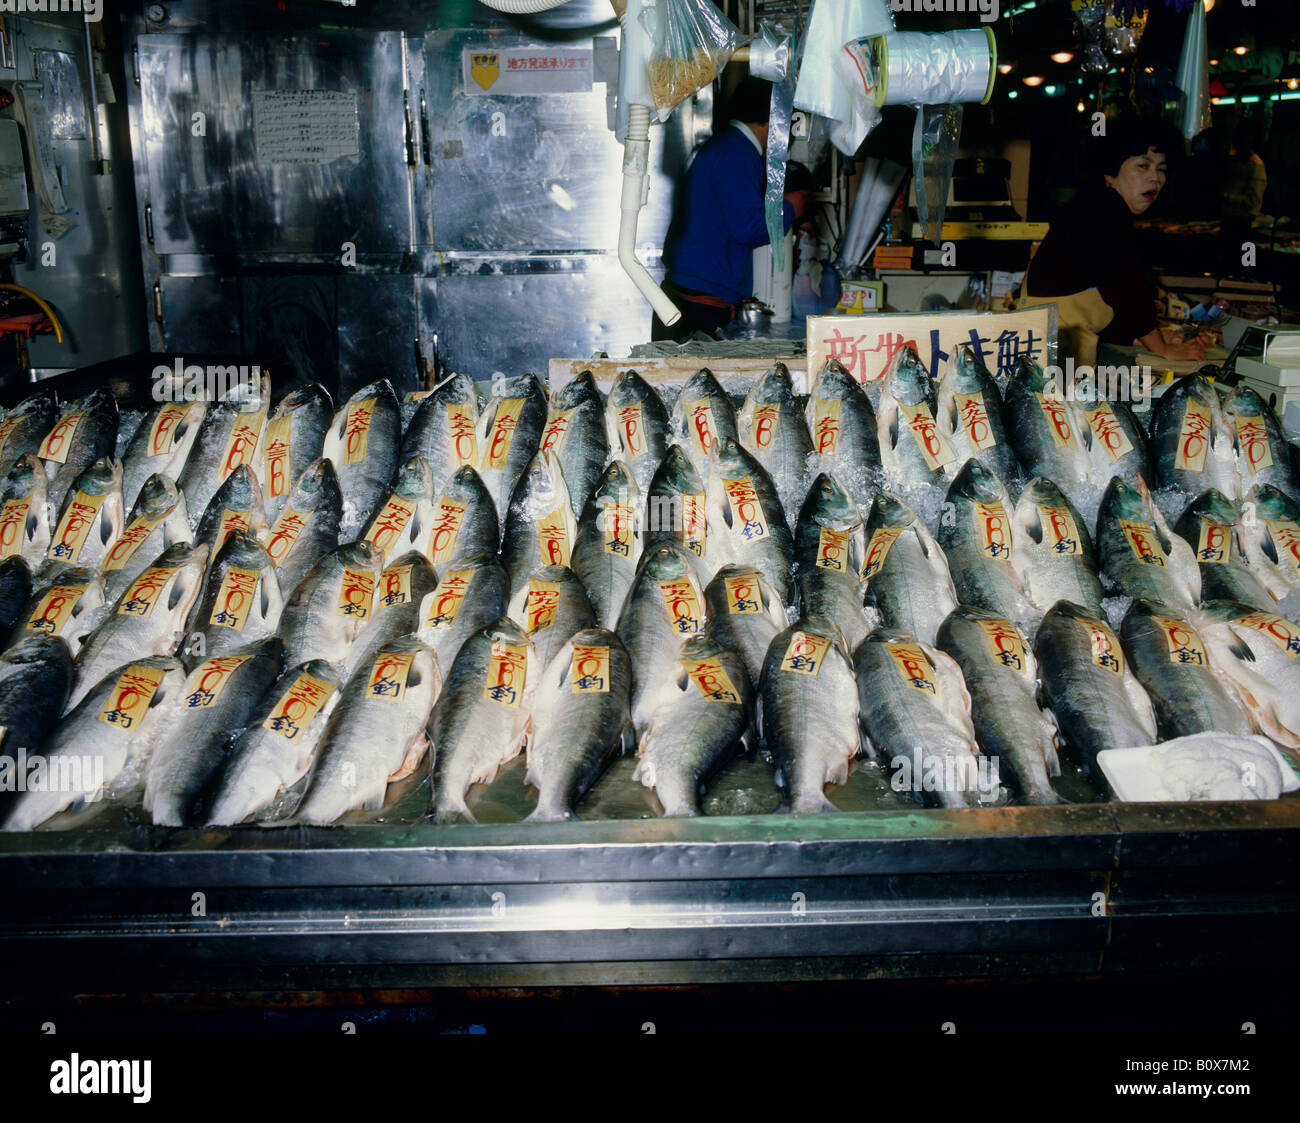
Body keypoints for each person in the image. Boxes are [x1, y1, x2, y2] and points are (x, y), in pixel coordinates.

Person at [1024, 117, 1209, 365]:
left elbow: (1105, 294)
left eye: (1161, 169)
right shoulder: (1106, 207)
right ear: (1110, 172)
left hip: (1052, 341)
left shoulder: (1096, 203)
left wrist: (1140, 339)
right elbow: (1127, 286)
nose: (1155, 178)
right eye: (1143, 166)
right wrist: (1161, 349)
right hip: (1054, 349)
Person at [653, 77, 814, 341]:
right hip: (700, 298)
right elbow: (747, 227)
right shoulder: (738, 153)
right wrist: (791, 208)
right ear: (775, 119)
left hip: (690, 291)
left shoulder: (728, 146)